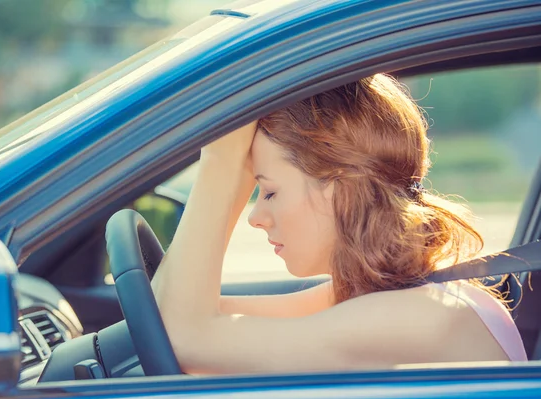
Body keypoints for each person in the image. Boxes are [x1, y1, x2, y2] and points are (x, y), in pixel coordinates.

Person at [151, 74, 526, 375]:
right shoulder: (394, 295)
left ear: (336, 186)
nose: (256, 218)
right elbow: (181, 315)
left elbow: (187, 340)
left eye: (268, 192)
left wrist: (222, 159)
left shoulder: (416, 317)